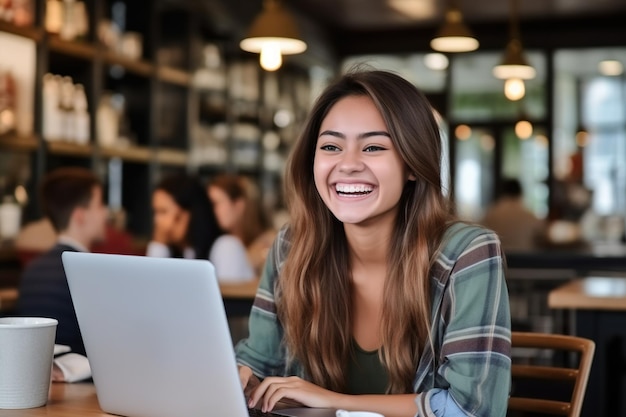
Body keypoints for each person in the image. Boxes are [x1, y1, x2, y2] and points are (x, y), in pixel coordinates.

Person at [235, 70, 511, 417]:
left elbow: (472, 410)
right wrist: (241, 378)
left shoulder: (467, 255)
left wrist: (336, 401)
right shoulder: (291, 249)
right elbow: (258, 363)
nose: (348, 165)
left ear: (412, 164)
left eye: (374, 147)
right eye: (331, 146)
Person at [17, 167, 108, 357]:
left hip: (42, 378)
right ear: (80, 215)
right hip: (86, 382)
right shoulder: (93, 273)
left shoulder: (32, 270)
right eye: (100, 205)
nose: (105, 213)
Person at [147, 172, 254, 282]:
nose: (157, 221)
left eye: (163, 212)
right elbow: (151, 287)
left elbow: (229, 296)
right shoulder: (181, 252)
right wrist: (159, 245)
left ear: (187, 214)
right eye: (155, 212)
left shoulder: (226, 246)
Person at [208, 174, 276, 275]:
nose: (213, 211)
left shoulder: (270, 243)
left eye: (216, 203)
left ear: (238, 204)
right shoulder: (220, 243)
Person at [481, 178, 545, 252]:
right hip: (524, 260)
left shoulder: (490, 214)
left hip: (497, 260)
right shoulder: (530, 216)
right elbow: (542, 235)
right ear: (520, 192)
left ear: (502, 192)